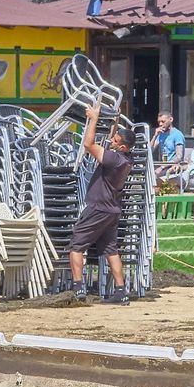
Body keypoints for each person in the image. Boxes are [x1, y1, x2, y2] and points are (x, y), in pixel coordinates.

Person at [67, 101, 134, 305]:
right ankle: (121, 291)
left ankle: (78, 288)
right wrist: (114, 120)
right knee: (111, 250)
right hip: (112, 210)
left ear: (122, 147)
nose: (111, 140)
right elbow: (110, 143)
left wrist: (93, 119)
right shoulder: (127, 159)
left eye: (115, 139)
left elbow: (88, 145)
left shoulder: (114, 160)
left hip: (98, 208)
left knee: (76, 246)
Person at [152, 111, 185, 181]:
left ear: (171, 119)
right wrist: (155, 136)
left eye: (163, 121)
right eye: (159, 122)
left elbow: (179, 157)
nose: (160, 124)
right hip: (164, 166)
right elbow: (150, 150)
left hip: (173, 167)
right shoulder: (160, 134)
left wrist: (162, 167)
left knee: (153, 178)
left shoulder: (177, 135)